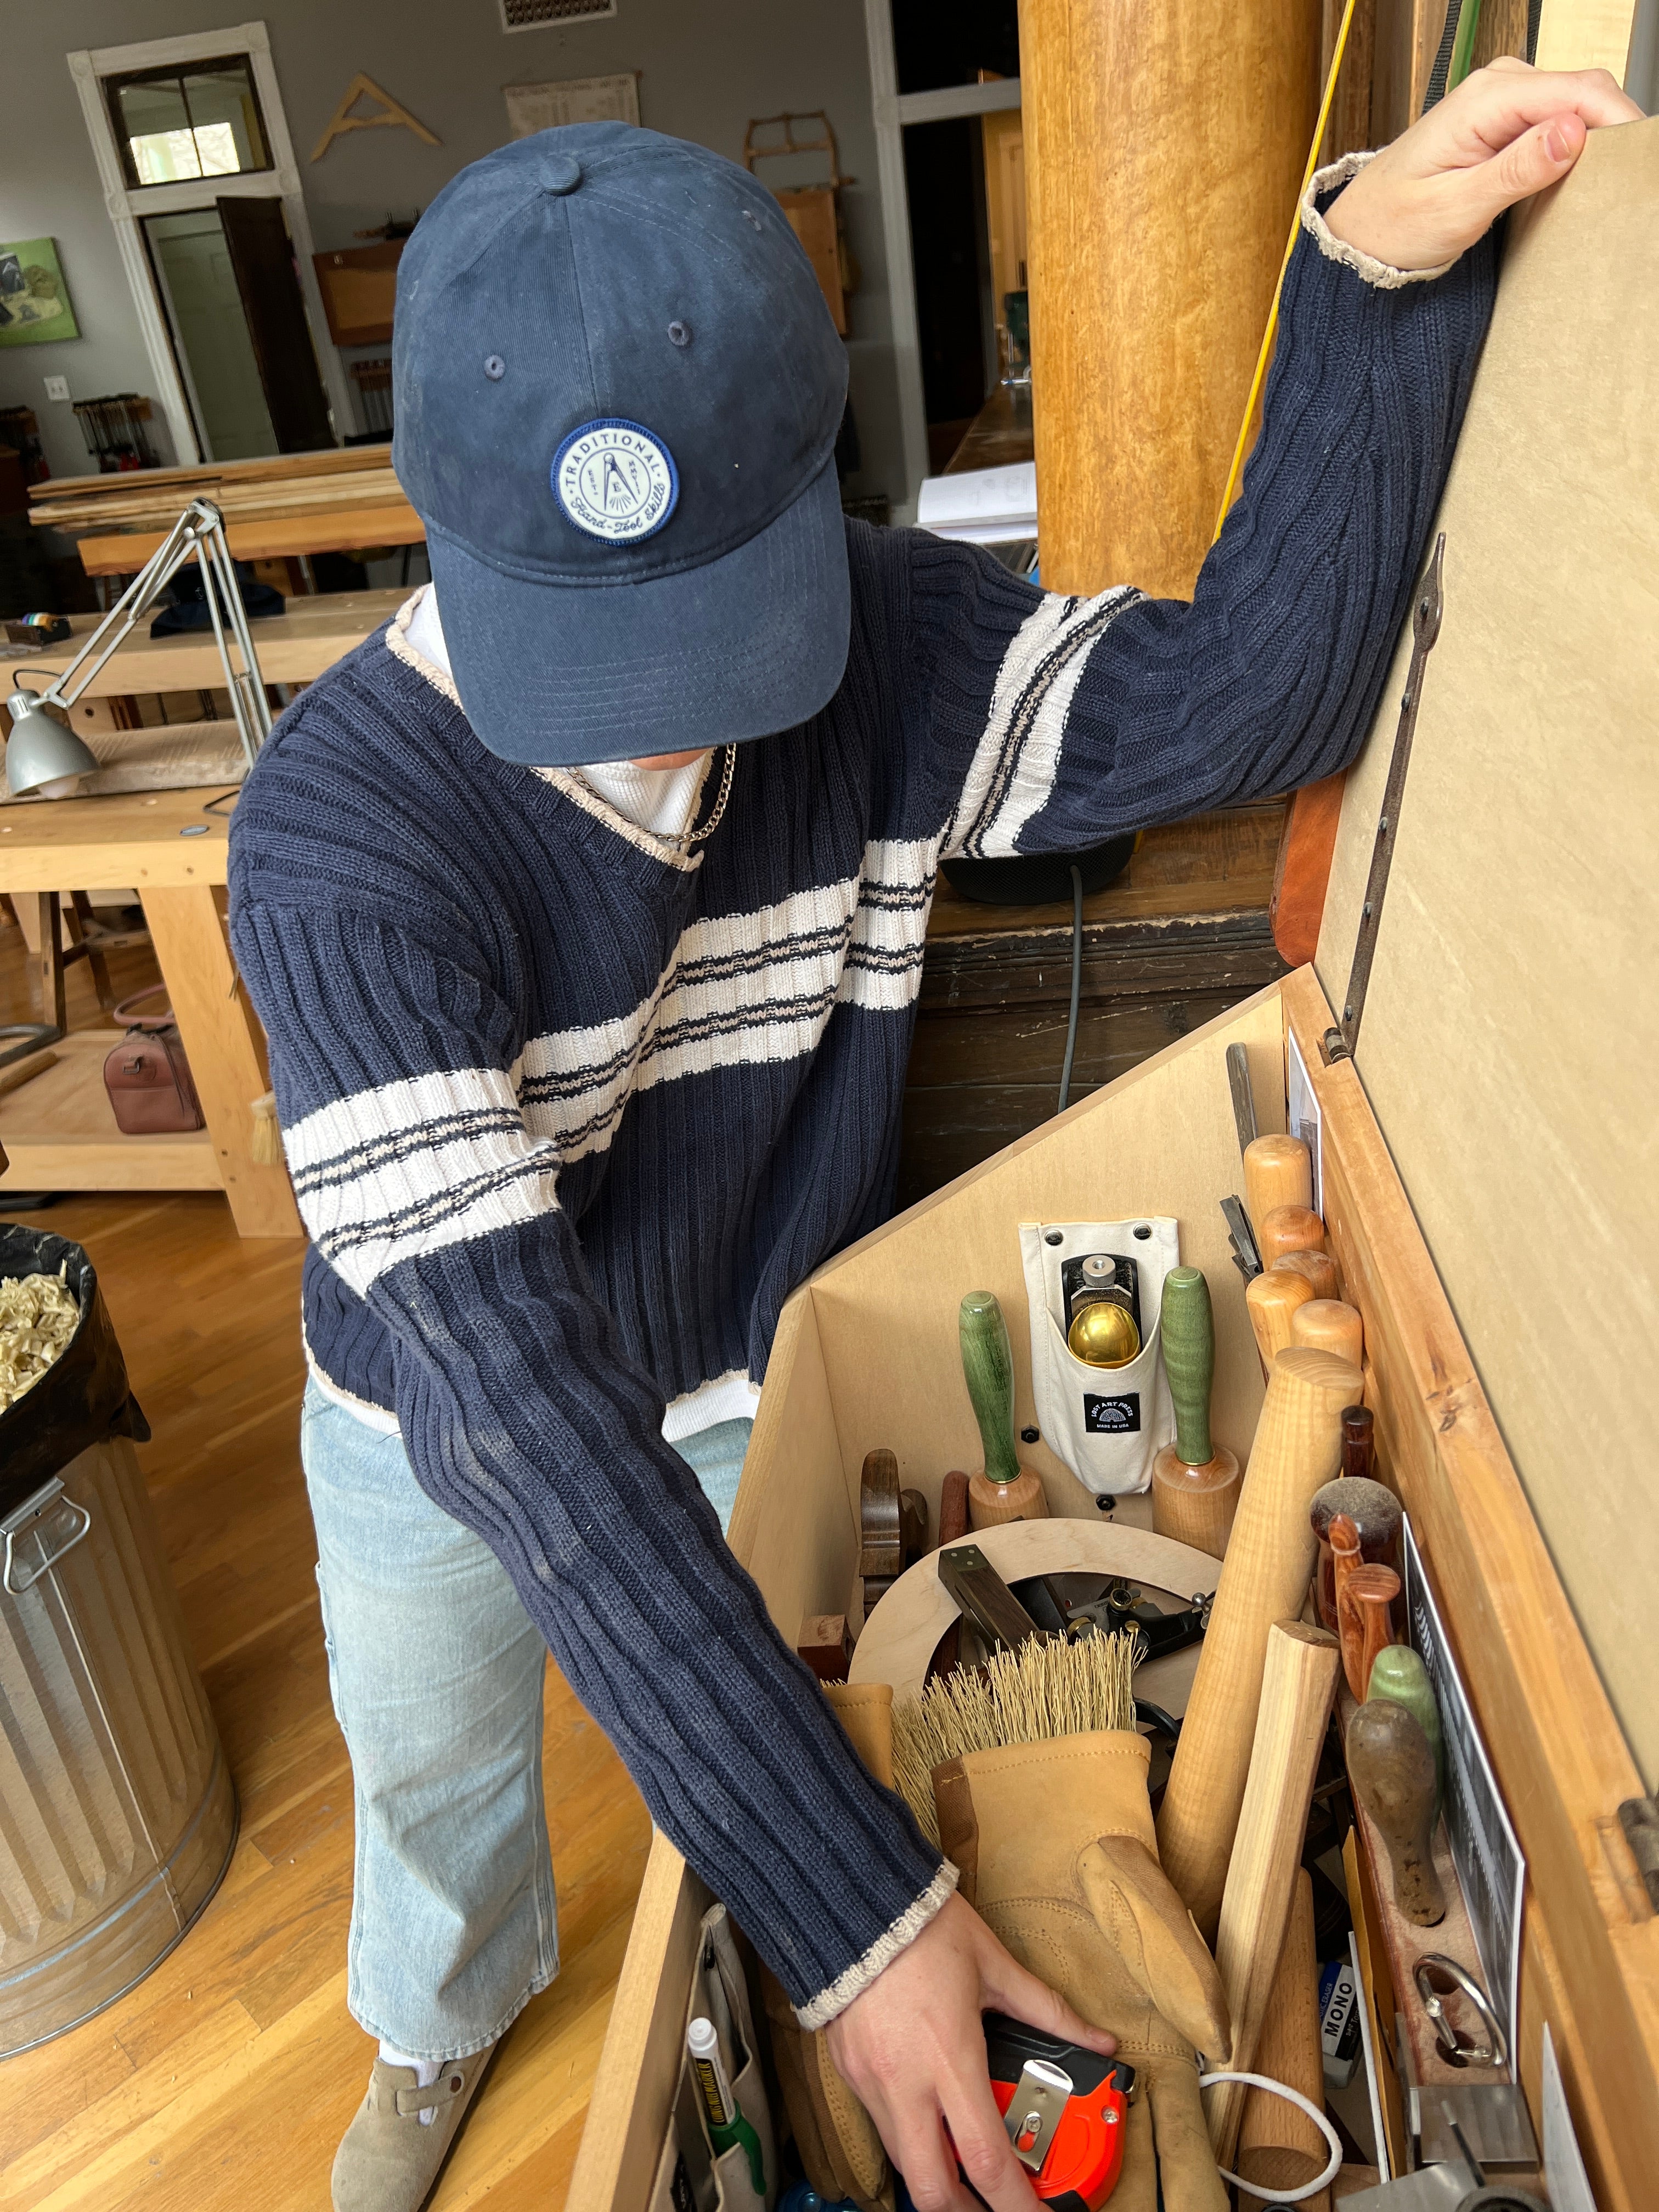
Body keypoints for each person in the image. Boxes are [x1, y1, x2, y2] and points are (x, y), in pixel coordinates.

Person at [228, 59, 1639, 2212]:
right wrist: (868, 1928)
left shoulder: (892, 643)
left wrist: (1368, 278)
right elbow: (519, 1416)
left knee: (786, 1750)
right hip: (437, 1402)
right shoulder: (338, 846)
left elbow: (1256, 701)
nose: (667, 733)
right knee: (431, 1760)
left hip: (756, 1353)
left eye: (714, 633)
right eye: (595, 659)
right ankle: (437, 2020)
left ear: (821, 485)